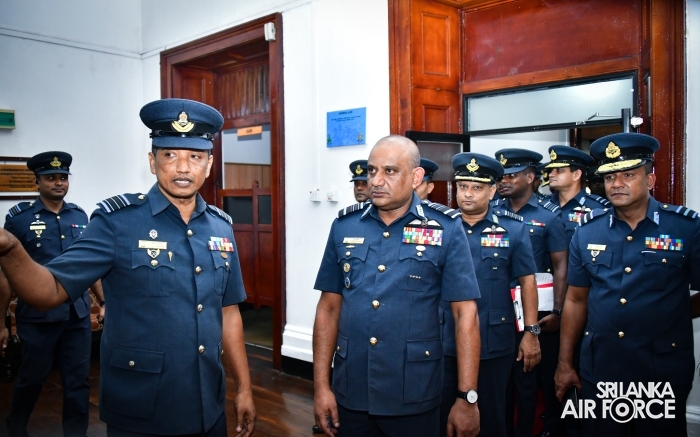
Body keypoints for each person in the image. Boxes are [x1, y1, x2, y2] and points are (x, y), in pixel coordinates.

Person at [0, 99, 255, 437]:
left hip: (208, 405)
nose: (183, 167)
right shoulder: (117, 222)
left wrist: (244, 388)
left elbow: (228, 312)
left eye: (195, 156)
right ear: (152, 161)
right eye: (170, 154)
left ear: (209, 165)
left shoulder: (221, 227)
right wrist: (10, 247)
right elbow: (49, 290)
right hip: (141, 408)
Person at [312, 135, 481, 437]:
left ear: (416, 177)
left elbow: (465, 314)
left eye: (389, 171)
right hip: (352, 388)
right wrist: (321, 386)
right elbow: (328, 309)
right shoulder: (345, 226)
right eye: (372, 170)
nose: (376, 181)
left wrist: (466, 397)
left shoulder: (445, 227)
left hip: (413, 391)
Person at [555, 133, 700, 436]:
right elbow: (576, 300)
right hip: (602, 366)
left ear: (650, 180)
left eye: (628, 175)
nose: (617, 184)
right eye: (610, 177)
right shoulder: (587, 232)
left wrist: (672, 314)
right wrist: (565, 363)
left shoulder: (685, 228)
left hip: (661, 367)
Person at [4, 151, 104, 437]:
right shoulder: (20, 219)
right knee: (31, 378)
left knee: (77, 381)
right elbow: (6, 275)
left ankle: (75, 433)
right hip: (39, 316)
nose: (59, 183)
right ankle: (15, 427)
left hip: (76, 314)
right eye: (51, 178)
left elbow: (90, 265)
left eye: (63, 178)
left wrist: (104, 301)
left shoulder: (80, 216)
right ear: (37, 182)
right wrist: (1, 323)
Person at [442, 152, 540, 437]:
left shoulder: (513, 228)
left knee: (492, 417)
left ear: (492, 191)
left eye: (477, 187)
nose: (467, 194)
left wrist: (531, 332)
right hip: (444, 339)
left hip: (493, 340)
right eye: (463, 186)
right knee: (442, 416)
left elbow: (528, 282)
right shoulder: (441, 228)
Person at [492, 149, 567, 437]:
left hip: (533, 308)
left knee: (528, 380)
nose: (504, 181)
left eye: (512, 175)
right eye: (502, 177)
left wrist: (557, 311)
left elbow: (560, 267)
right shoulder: (492, 211)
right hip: (498, 307)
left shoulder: (548, 217)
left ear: (530, 177)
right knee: (500, 382)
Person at [545, 146, 610, 241]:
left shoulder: (598, 208)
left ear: (576, 175)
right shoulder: (543, 204)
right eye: (551, 170)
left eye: (559, 170)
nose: (551, 174)